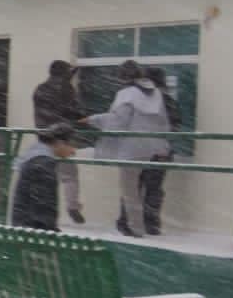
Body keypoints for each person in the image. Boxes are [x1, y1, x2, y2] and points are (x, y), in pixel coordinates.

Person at [87, 59, 172, 238]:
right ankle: (144, 225)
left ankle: (135, 228)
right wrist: (163, 146)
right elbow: (163, 122)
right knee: (149, 188)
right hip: (151, 148)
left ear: (121, 77)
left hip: (131, 148)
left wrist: (93, 120)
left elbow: (118, 121)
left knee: (130, 190)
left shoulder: (126, 94)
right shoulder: (155, 93)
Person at [120, 66, 183, 236]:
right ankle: (150, 223)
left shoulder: (135, 99)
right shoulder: (167, 101)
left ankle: (127, 222)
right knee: (154, 188)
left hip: (137, 150)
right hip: (158, 152)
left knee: (132, 187)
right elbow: (175, 126)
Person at [32, 60, 87, 225]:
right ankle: (72, 206)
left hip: (43, 136)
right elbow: (75, 111)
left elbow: (41, 113)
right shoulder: (67, 89)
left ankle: (41, 208)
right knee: (69, 175)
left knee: (45, 175)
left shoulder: (40, 89)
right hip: (62, 137)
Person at [10, 122, 80, 232]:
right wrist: (51, 233)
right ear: (60, 142)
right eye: (72, 145)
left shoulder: (35, 158)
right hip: (33, 233)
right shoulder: (44, 164)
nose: (73, 151)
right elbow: (44, 209)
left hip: (23, 227)